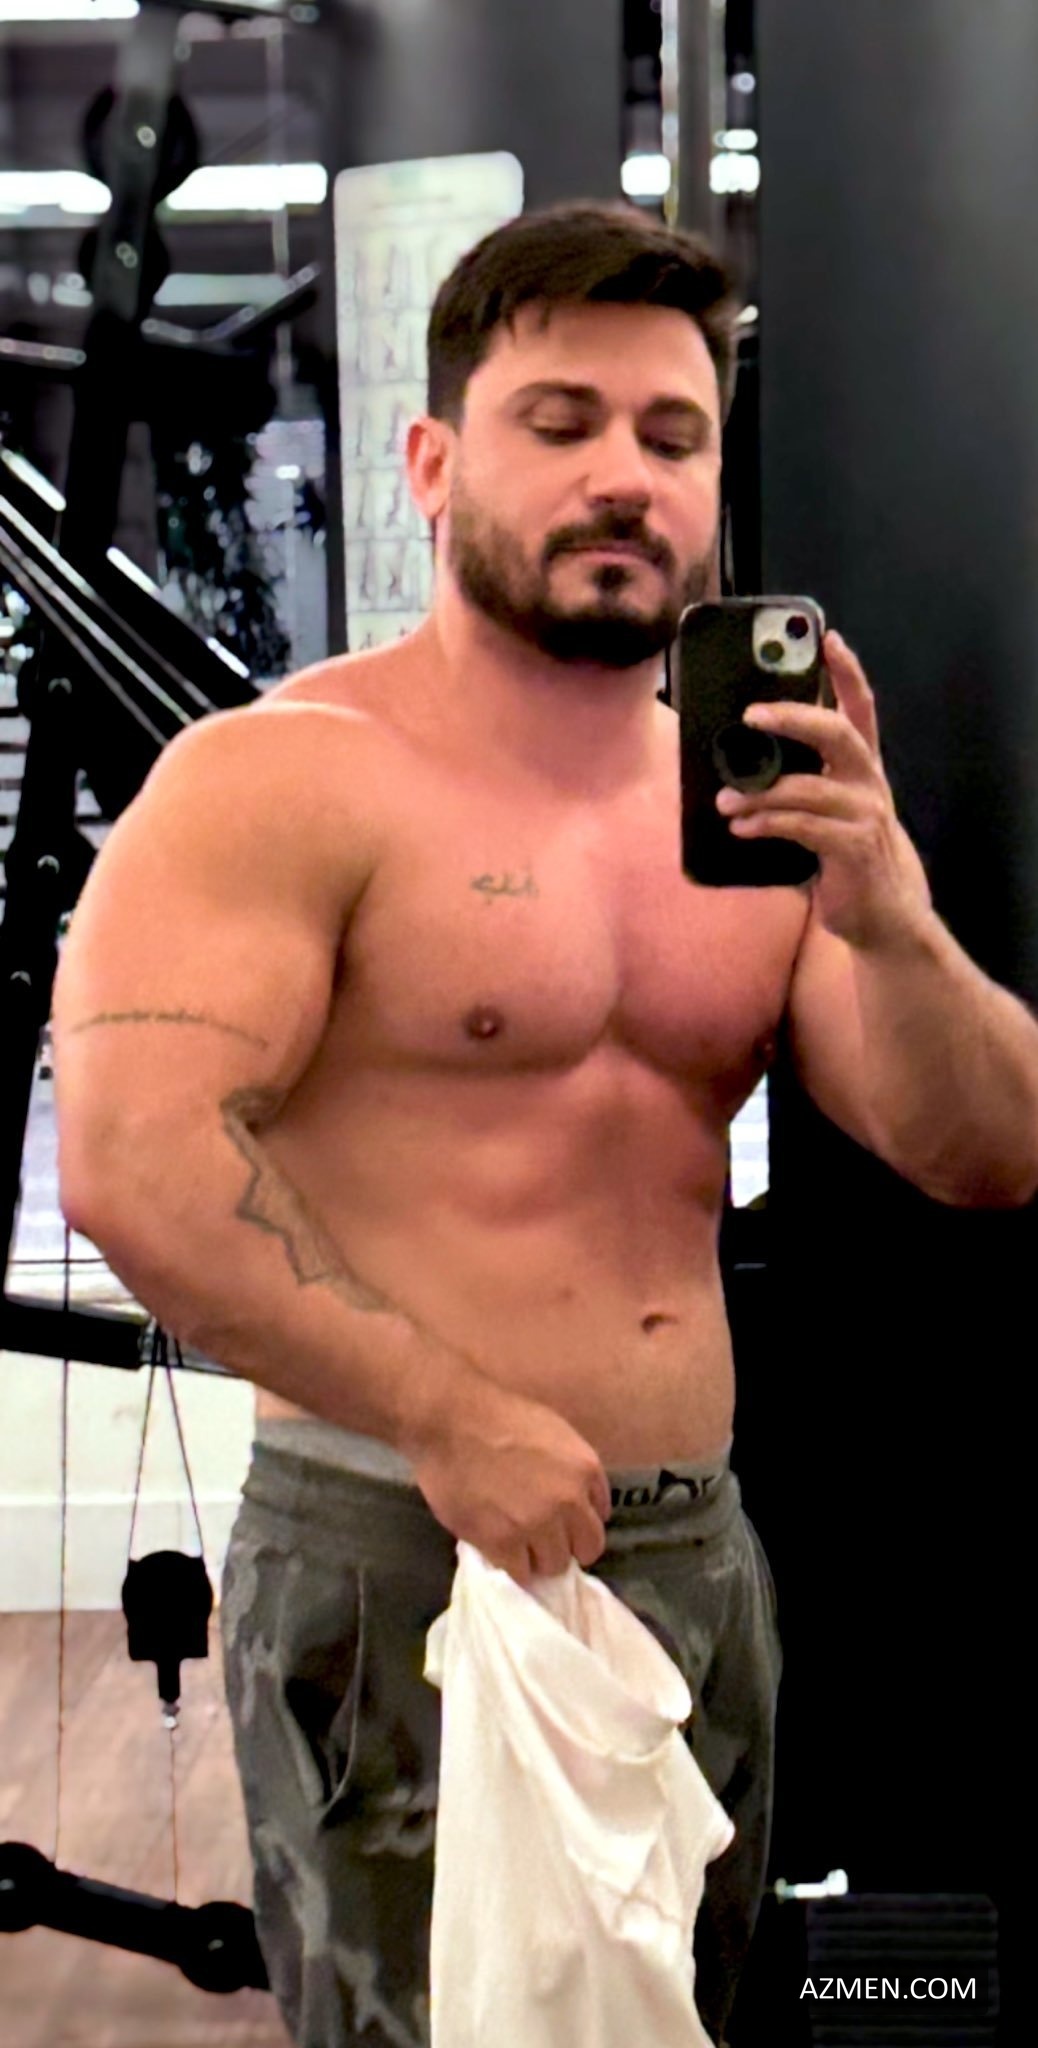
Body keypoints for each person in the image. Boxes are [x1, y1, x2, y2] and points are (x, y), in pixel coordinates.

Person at [52, 203, 1038, 2048]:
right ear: (432, 463)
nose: (622, 479)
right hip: (406, 1542)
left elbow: (982, 1151)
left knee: (685, 2018)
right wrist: (445, 1413)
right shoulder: (280, 780)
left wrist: (891, 916)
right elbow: (136, 1161)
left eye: (672, 438)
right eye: (559, 422)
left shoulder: (752, 822)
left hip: (693, 1553)